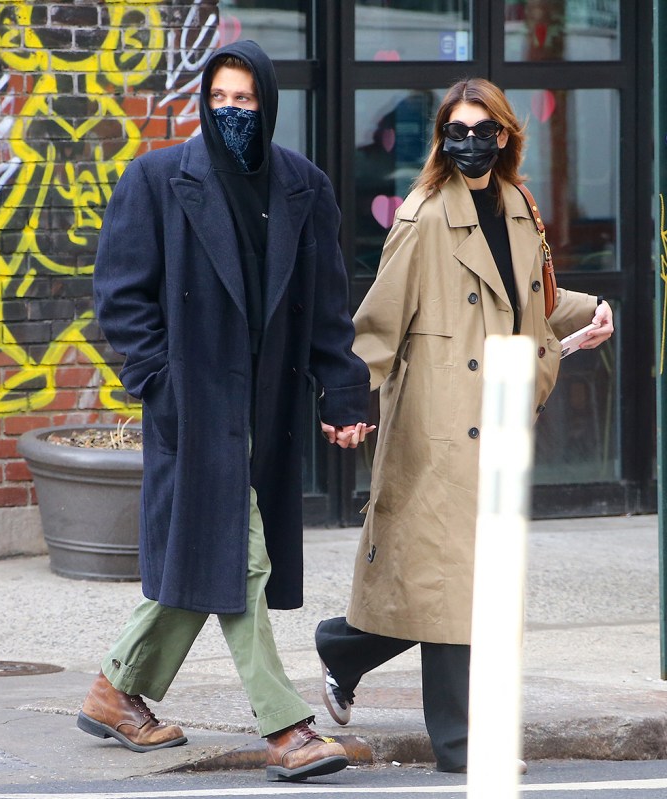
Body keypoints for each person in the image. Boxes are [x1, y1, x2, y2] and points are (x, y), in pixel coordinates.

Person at [79, 40, 374, 783]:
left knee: (209, 550)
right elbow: (121, 295)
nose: (232, 111)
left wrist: (342, 392)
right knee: (242, 558)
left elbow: (328, 309)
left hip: (263, 406)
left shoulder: (304, 185)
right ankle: (286, 727)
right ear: (202, 102)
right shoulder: (156, 179)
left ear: (266, 103)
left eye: (245, 100)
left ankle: (118, 689)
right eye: (219, 99)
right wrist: (159, 381)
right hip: (192, 404)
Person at [316, 77, 614, 774]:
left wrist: (589, 306)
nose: (471, 141)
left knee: (456, 583)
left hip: (504, 415)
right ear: (443, 136)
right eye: (459, 129)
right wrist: (350, 402)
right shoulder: (421, 217)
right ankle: (459, 743)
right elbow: (379, 322)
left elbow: (533, 296)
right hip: (440, 423)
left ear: (506, 136)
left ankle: (345, 644)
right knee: (457, 583)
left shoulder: (517, 206)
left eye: (485, 130)